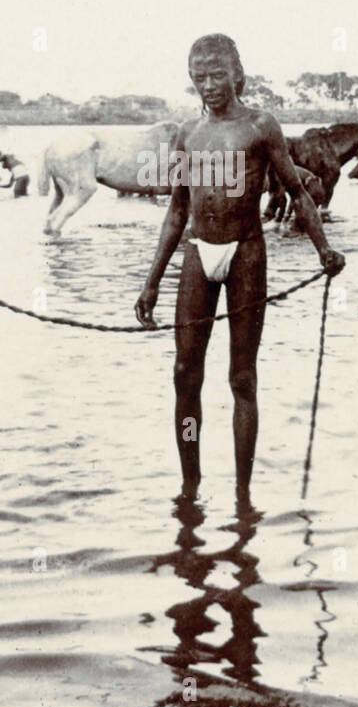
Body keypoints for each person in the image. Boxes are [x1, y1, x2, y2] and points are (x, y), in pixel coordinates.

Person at [134, 34, 344, 500]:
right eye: (199, 77)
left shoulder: (261, 126)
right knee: (185, 374)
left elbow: (297, 191)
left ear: (237, 75)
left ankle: (243, 496)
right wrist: (150, 285)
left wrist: (323, 250)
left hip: (247, 252)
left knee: (242, 378)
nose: (208, 85)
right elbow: (175, 214)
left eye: (216, 75)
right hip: (197, 252)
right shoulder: (187, 134)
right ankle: (190, 486)